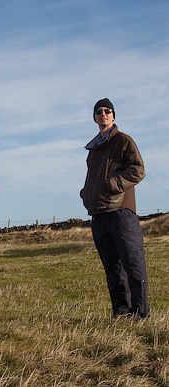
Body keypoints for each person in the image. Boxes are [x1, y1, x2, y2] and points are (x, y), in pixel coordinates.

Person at [80, 98, 149, 320]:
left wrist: (113, 185)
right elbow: (92, 176)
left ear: (113, 115)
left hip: (121, 212)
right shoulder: (93, 148)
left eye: (107, 111)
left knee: (132, 263)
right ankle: (121, 311)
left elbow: (138, 170)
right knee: (113, 268)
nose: (103, 114)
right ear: (94, 117)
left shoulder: (123, 141)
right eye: (99, 111)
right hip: (99, 214)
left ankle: (140, 312)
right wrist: (86, 194)